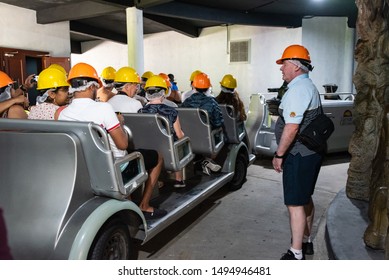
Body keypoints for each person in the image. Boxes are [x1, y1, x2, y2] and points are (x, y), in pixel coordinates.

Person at [56, 62, 166, 220]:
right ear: (92, 87)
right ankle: (145, 205)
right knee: (157, 157)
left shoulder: (63, 114)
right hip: (114, 169)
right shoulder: (103, 109)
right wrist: (119, 123)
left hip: (83, 171)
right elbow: (122, 144)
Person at [272, 44, 322, 260]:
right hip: (311, 153)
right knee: (305, 198)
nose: (281, 69)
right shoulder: (308, 85)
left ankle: (296, 252)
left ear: (294, 66)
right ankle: (307, 241)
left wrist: (279, 154)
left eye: (283, 64)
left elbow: (292, 127)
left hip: (298, 154)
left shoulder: (299, 89)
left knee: (294, 203)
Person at [139, 75, 186, 188]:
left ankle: (157, 179)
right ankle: (178, 179)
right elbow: (179, 135)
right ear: (164, 92)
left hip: (149, 151)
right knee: (179, 143)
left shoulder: (140, 111)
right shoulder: (171, 111)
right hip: (168, 151)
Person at [181, 72, 224, 175]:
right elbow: (218, 123)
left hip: (188, 137)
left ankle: (202, 160)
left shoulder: (186, 102)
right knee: (221, 133)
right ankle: (208, 159)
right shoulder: (212, 102)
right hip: (206, 138)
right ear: (208, 88)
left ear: (194, 86)